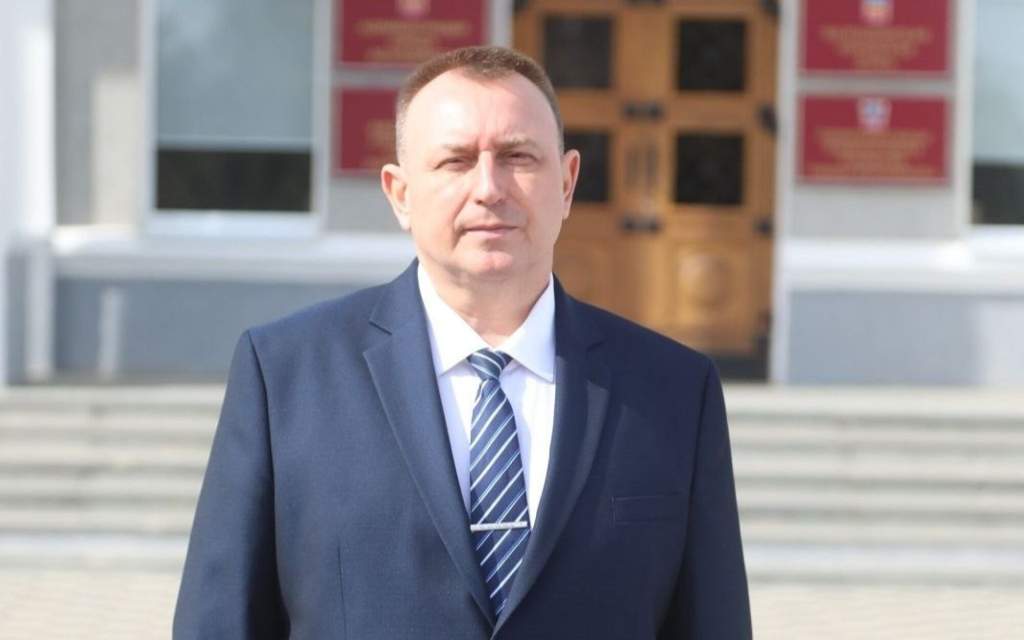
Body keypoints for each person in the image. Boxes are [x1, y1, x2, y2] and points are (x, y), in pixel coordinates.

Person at [173, 45, 751, 639]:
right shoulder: (285, 376)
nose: (489, 188)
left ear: (567, 182)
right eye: (455, 161)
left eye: (518, 156)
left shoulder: (674, 392)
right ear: (400, 194)